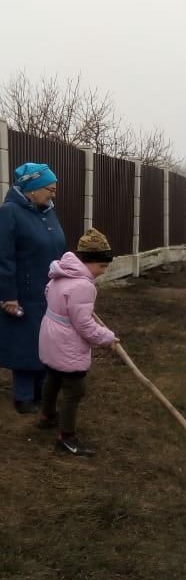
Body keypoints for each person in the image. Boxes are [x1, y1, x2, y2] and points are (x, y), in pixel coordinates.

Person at [37, 228, 118, 456]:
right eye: (102, 266)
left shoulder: (60, 273)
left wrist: (71, 311)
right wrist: (108, 337)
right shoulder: (83, 286)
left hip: (50, 335)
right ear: (89, 261)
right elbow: (85, 327)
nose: (103, 271)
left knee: (53, 377)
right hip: (67, 344)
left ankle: (47, 416)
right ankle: (66, 437)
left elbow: (49, 293)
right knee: (74, 389)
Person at [0, 162, 66, 413]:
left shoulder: (47, 211)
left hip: (48, 291)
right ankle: (24, 396)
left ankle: (40, 392)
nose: (53, 193)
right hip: (23, 293)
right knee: (24, 343)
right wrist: (8, 295)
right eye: (49, 188)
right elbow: (3, 257)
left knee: (46, 341)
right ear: (33, 187)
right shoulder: (9, 213)